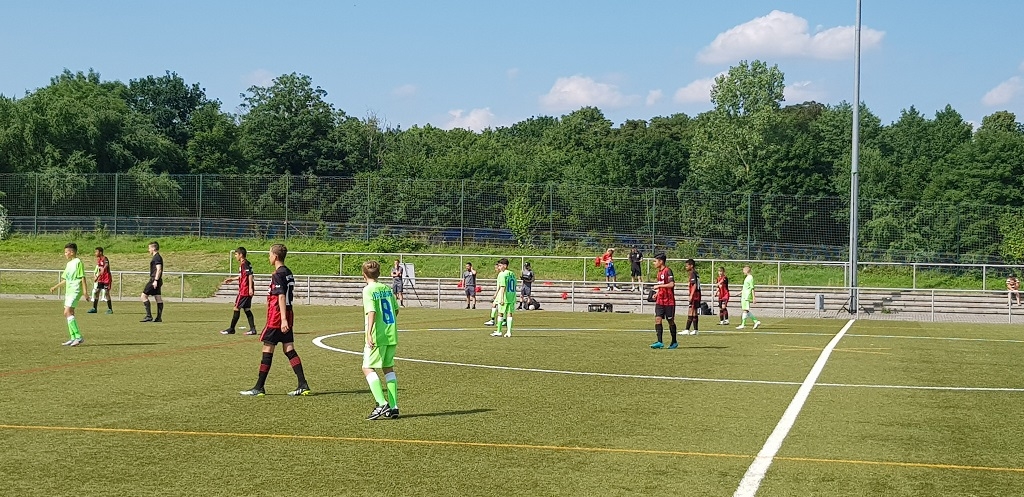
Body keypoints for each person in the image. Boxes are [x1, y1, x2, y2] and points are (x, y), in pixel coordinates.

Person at [240, 244, 311, 397]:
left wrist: (283, 319)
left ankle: (259, 387)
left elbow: (281, 296)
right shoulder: (288, 272)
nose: (269, 257)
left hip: (278, 316)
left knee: (267, 348)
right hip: (288, 313)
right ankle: (303, 384)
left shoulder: (278, 274)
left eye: (270, 254)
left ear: (276, 256)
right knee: (288, 348)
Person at [360, 260, 401, 420]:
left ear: (363, 275)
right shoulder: (386, 288)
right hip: (391, 334)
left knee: (367, 367)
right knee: (388, 368)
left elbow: (372, 311)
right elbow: (396, 310)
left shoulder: (368, 290)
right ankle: (394, 406)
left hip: (378, 335)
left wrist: (369, 333)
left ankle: (382, 403)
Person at [49, 243, 88, 346]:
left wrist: (85, 292)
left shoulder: (78, 262)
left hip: (75, 290)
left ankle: (78, 337)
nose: (65, 254)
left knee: (67, 312)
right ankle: (73, 337)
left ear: (72, 252)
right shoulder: (69, 264)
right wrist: (55, 287)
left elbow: (82, 277)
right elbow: (66, 279)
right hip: (69, 291)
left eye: (66, 252)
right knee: (69, 313)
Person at [221, 247, 257, 335]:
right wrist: (232, 279)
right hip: (245, 290)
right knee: (247, 309)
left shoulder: (244, 264)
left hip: (244, 290)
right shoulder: (245, 263)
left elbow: (250, 275)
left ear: (241, 255)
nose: (235, 256)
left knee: (236, 308)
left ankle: (231, 329)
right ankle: (252, 329)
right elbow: (243, 276)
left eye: (236, 254)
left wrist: (250, 288)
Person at [649, 253, 678, 349]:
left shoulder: (668, 271)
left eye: (655, 261)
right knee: (658, 319)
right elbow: (662, 286)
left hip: (669, 301)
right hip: (660, 301)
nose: (654, 263)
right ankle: (659, 341)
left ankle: (674, 342)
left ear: (661, 261)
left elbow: (671, 284)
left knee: (670, 321)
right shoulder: (658, 273)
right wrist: (657, 293)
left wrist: (659, 286)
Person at [489, 258, 516, 338]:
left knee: (500, 313)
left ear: (505, 266)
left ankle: (499, 331)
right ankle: (508, 332)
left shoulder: (502, 274)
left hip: (505, 297)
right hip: (512, 296)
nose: (499, 267)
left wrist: (501, 298)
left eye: (500, 265)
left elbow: (503, 286)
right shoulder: (512, 274)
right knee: (509, 314)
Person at [140, 241, 164, 323]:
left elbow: (159, 269)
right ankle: (158, 318)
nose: (148, 250)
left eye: (149, 248)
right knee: (158, 298)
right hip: (157, 280)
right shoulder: (157, 257)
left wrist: (155, 280)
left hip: (154, 280)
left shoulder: (157, 257)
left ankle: (149, 316)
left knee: (143, 296)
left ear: (153, 248)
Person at [87, 247, 113, 314]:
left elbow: (106, 264)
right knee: (97, 292)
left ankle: (110, 309)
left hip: (106, 278)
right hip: (101, 278)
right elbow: (100, 270)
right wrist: (97, 276)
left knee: (106, 292)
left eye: (96, 252)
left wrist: (104, 268)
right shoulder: (98, 259)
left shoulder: (105, 258)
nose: (95, 253)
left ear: (100, 252)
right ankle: (94, 308)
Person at [737, 265, 761, 330]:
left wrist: (754, 298)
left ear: (746, 270)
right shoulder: (747, 277)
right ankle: (756, 321)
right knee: (746, 310)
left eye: (743, 270)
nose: (743, 272)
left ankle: (743, 324)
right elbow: (746, 287)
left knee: (745, 310)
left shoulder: (750, 278)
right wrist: (740, 292)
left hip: (746, 296)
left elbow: (752, 288)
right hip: (744, 295)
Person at [484, 262, 506, 327]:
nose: (496, 269)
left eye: (497, 268)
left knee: (497, 306)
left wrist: (496, 293)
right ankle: (503, 320)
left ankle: (493, 320)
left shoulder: (501, 274)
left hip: (500, 293)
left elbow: (500, 286)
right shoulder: (502, 274)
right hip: (500, 292)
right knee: (497, 306)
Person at [684, 259, 701, 336]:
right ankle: (695, 330)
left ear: (691, 266)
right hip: (697, 294)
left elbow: (694, 285)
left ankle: (687, 329)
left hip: (695, 295)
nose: (686, 267)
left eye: (687, 266)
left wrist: (691, 295)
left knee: (691, 310)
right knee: (694, 312)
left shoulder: (693, 273)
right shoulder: (695, 273)